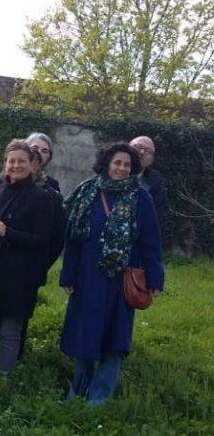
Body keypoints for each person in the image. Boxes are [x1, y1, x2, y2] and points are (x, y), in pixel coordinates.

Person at [59, 142, 164, 406]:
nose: (122, 168)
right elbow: (72, 239)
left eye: (127, 165)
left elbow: (151, 241)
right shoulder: (88, 192)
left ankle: (100, 397)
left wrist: (155, 277)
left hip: (121, 278)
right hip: (87, 277)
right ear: (106, 164)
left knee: (114, 339)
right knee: (84, 333)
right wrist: (68, 275)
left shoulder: (141, 198)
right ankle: (78, 389)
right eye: (117, 163)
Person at [0, 139, 54, 375]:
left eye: (21, 161)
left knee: (9, 333)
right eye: (11, 161)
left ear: (33, 165)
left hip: (19, 276)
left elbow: (42, 240)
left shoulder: (41, 197)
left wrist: (9, 233)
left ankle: (1, 380)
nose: (16, 165)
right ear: (5, 164)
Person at [129, 136, 167, 237]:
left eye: (148, 151)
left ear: (151, 159)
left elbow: (156, 217)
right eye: (137, 147)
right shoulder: (111, 174)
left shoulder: (156, 181)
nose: (141, 152)